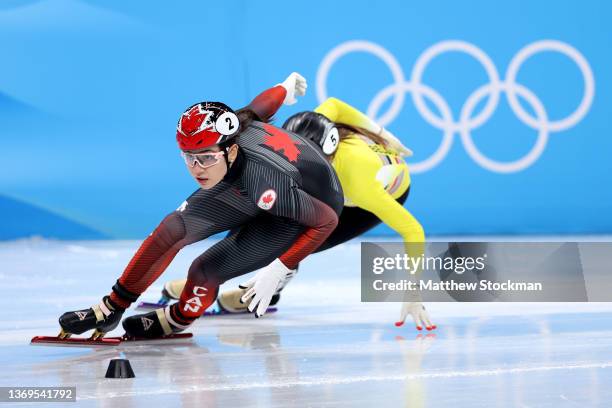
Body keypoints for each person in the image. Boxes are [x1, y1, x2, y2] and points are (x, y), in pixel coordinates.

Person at [57, 72, 344, 339]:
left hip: (299, 211)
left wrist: (282, 266)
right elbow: (259, 107)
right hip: (247, 182)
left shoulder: (265, 182)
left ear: (230, 150)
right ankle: (111, 308)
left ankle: (180, 317)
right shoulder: (236, 125)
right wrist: (284, 87)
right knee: (171, 229)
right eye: (189, 157)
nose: (197, 169)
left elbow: (326, 221)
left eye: (206, 158)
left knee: (204, 270)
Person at [162, 97, 435, 330]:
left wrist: (412, 291)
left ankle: (273, 284)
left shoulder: (358, 183)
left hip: (371, 199)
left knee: (301, 235)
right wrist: (383, 133)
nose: (296, 164)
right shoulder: (316, 123)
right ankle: (210, 278)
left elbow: (413, 231)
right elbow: (334, 105)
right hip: (350, 171)